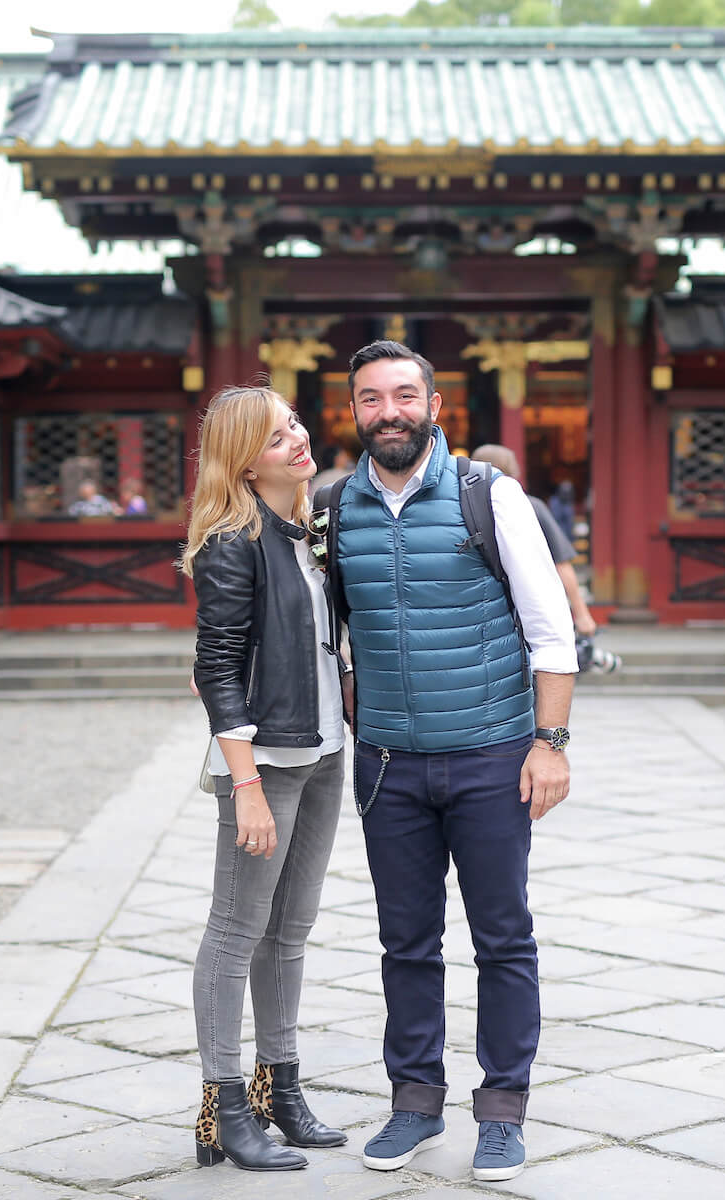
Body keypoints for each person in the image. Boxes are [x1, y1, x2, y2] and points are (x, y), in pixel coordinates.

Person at [330, 341, 574, 1184]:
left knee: (503, 939)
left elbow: (550, 629)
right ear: (353, 411)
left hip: (491, 755)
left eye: (404, 395)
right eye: (371, 399)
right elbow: (325, 626)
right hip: (390, 765)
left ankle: (502, 1111)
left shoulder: (488, 494)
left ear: (436, 407)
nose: (388, 411)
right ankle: (415, 1103)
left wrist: (551, 744)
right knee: (406, 943)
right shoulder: (337, 509)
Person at [180, 385, 348, 1172]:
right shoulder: (231, 540)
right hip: (265, 763)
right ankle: (222, 1106)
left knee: (292, 929)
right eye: (277, 437)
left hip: (323, 751)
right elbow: (214, 667)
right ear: (244, 463)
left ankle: (280, 1088)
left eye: (295, 426)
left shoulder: (307, 531)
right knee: (235, 930)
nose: (297, 441)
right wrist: (243, 783)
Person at [470, 444, 599, 639]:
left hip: (477, 609)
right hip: (525, 607)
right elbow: (561, 563)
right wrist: (581, 614)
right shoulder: (530, 505)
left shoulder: (460, 509)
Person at [547, 480, 577, 545]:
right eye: (565, 493)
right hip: (557, 537)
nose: (567, 495)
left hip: (567, 537)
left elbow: (570, 522)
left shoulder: (568, 504)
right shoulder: (554, 503)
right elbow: (555, 519)